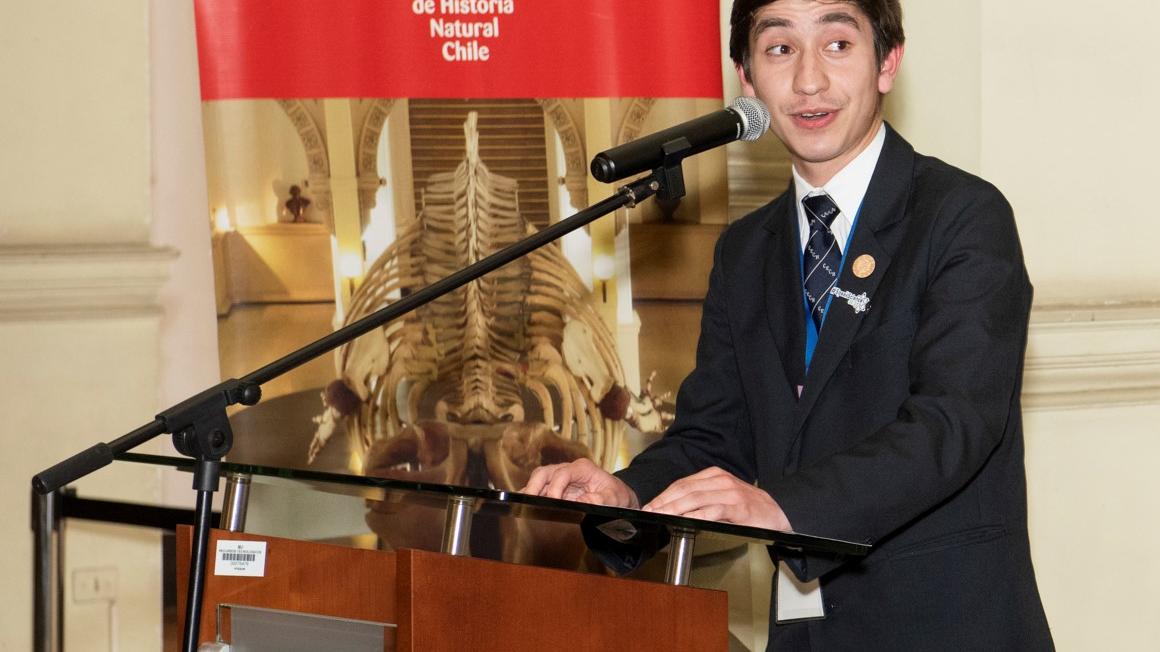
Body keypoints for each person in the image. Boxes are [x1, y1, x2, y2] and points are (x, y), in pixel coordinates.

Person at [522, 0, 1054, 649]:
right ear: (747, 79)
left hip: (945, 624)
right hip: (806, 635)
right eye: (779, 50)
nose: (808, 81)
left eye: (836, 45)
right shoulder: (746, 250)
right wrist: (628, 493)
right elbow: (715, 437)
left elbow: (953, 422)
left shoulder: (961, 218)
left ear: (888, 62)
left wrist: (783, 508)